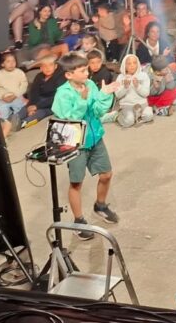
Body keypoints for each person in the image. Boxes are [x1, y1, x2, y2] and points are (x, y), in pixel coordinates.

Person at [52, 53, 121, 237]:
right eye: (82, 70)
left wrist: (105, 95)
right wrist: (82, 101)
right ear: (69, 74)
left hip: (95, 138)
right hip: (76, 144)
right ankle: (79, 221)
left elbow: (98, 111)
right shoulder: (62, 94)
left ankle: (100, 205)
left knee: (106, 174)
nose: (87, 73)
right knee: (76, 183)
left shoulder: (90, 84)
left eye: (86, 69)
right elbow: (71, 119)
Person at [24, 54, 64, 126]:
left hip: (52, 103)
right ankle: (12, 121)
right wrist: (31, 105)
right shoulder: (39, 76)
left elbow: (58, 97)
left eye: (50, 65)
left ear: (55, 66)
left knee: (40, 113)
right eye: (44, 66)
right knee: (24, 109)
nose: (47, 68)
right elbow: (34, 92)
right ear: (41, 68)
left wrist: (37, 107)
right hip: (39, 101)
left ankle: (24, 123)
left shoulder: (60, 76)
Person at [114, 54, 154, 127]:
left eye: (134, 63)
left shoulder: (143, 76)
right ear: (124, 66)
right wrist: (125, 87)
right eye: (129, 63)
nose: (132, 65)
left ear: (138, 64)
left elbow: (146, 93)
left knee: (149, 116)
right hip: (127, 105)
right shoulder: (120, 77)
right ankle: (117, 116)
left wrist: (138, 86)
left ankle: (137, 116)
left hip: (141, 104)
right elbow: (118, 95)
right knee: (128, 122)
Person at [0, 52, 28, 126]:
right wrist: (2, 96)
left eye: (13, 61)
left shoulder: (19, 72)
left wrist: (16, 95)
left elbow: (24, 85)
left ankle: (17, 120)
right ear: (2, 64)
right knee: (1, 110)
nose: (11, 63)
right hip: (4, 98)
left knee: (22, 108)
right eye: (8, 61)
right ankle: (4, 123)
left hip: (17, 96)